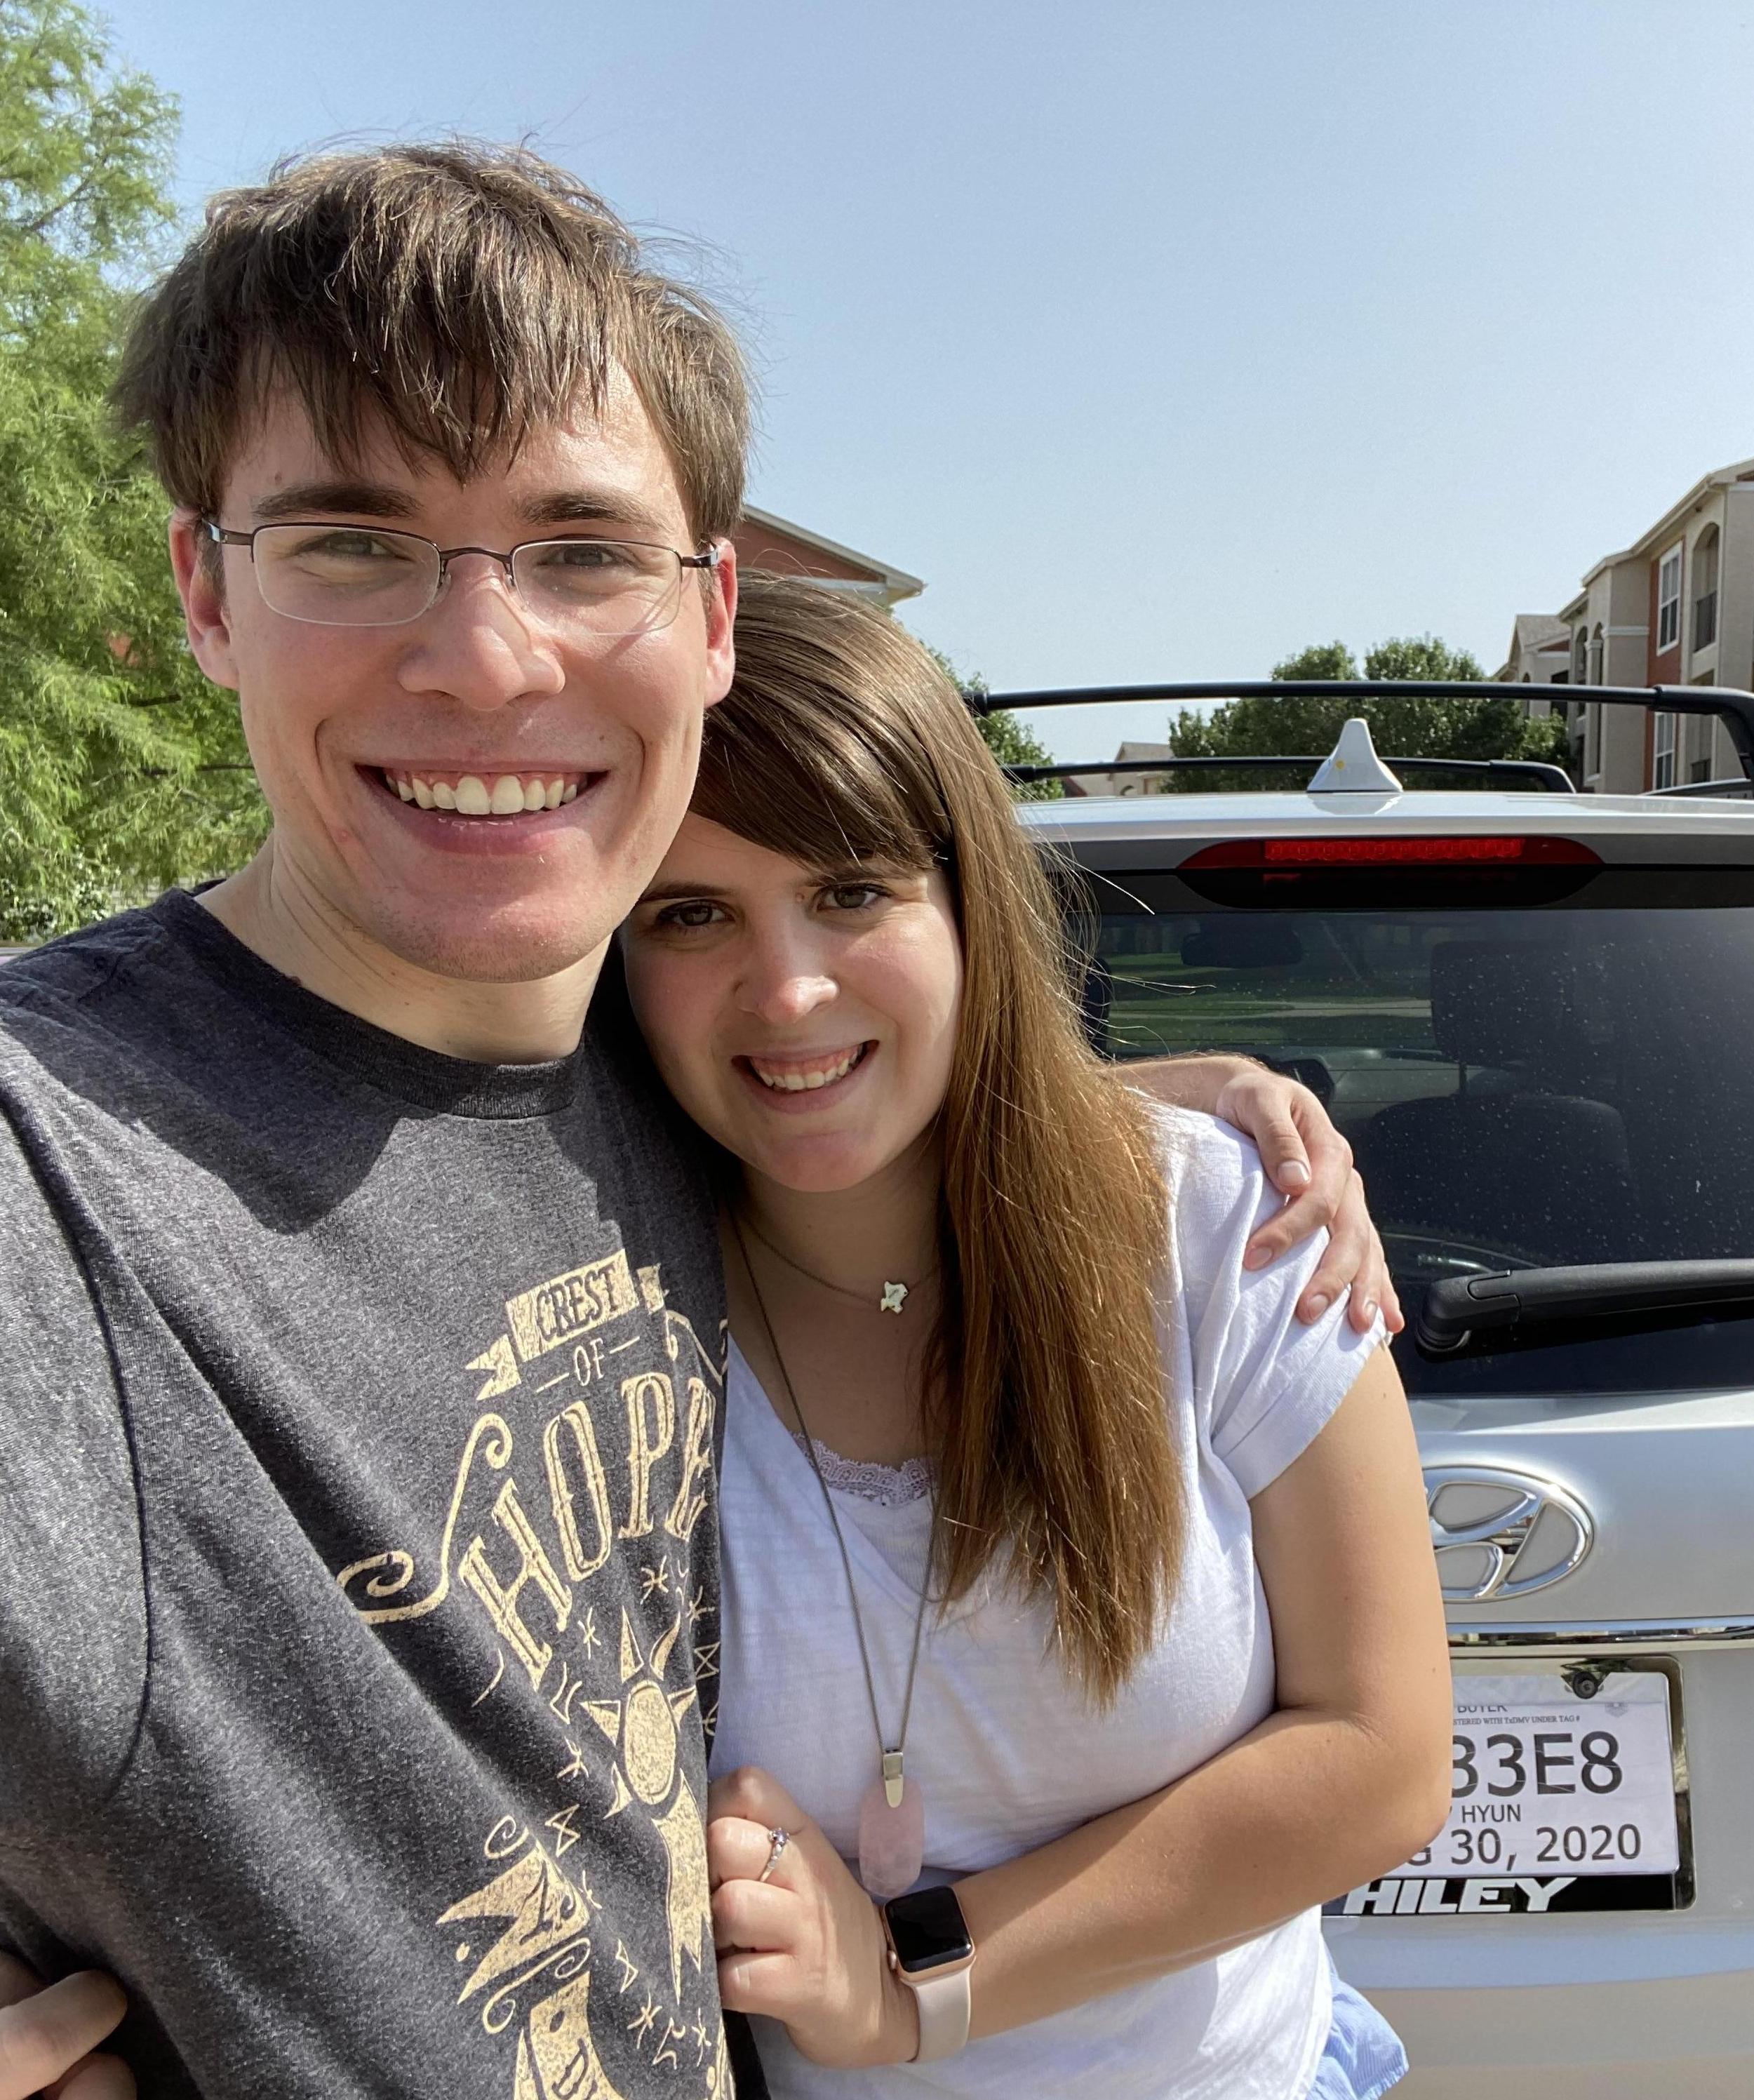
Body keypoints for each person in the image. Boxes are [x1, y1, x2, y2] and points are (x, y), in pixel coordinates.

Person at [0, 144, 1398, 2098]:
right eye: (349, 540)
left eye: (578, 549)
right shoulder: (58, 1175)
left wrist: (1153, 1108)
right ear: (202, 592)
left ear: (713, 609)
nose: (485, 656)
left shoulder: (648, 1098)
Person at [619, 577, 1453, 2098]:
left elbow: (1382, 1755)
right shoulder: (595, 1319)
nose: (788, 987)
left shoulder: (1223, 1229)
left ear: (967, 907)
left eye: (854, 891)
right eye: (692, 914)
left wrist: (917, 1977)